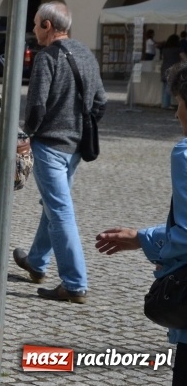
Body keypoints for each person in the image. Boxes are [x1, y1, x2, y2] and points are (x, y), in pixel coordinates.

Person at [95, 61, 187, 386]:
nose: (177, 114)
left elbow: (186, 233)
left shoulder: (185, 154)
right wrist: (142, 237)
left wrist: (153, 248)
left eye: (180, 103)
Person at [13, 1, 107, 303]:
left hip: (51, 146)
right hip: (76, 147)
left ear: (48, 26)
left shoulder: (47, 58)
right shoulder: (86, 54)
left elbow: (37, 105)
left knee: (60, 211)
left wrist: (29, 133)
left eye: (36, 23)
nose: (33, 29)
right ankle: (37, 262)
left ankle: (75, 284)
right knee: (54, 206)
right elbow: (101, 102)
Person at [161, 34, 181, 109]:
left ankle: (164, 103)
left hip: (164, 68)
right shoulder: (178, 49)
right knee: (168, 87)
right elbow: (184, 57)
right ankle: (166, 104)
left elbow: (163, 58)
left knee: (164, 87)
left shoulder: (165, 49)